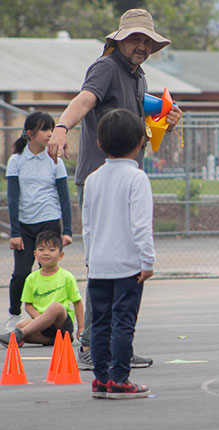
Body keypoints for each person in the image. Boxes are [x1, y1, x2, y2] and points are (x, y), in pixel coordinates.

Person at [47, 8, 181, 369]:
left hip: (129, 174)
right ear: (118, 40)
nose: (141, 46)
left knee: (125, 265)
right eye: (135, 39)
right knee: (106, 262)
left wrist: (165, 123)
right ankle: (93, 346)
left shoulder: (139, 77)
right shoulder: (105, 67)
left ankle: (118, 344)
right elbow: (84, 100)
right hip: (99, 176)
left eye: (147, 41)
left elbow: (145, 134)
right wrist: (61, 128)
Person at [83, 108, 155, 399]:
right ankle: (120, 378)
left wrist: (90, 258)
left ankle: (101, 378)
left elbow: (87, 226)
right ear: (140, 142)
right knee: (123, 323)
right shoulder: (137, 179)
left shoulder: (92, 179)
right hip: (127, 266)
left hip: (99, 265)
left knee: (100, 323)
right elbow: (141, 225)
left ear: (99, 144)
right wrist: (147, 261)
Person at [4, 112, 72, 333]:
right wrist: (15, 232)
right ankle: (14, 315)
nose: (50, 134)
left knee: (49, 272)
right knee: (22, 273)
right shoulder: (16, 161)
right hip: (24, 227)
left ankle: (49, 318)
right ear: (31, 133)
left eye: (52, 129)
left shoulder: (55, 161)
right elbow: (13, 199)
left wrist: (67, 230)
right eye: (45, 129)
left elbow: (65, 198)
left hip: (49, 224)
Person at [0, 231, 82, 348]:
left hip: (61, 324)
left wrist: (81, 328)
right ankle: (52, 340)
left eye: (52, 250)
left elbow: (77, 303)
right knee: (20, 324)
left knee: (56, 307)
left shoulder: (67, 277)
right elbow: (28, 305)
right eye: (41, 249)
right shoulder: (31, 278)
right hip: (42, 325)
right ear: (35, 254)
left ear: (61, 255)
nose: (46, 253)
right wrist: (41, 320)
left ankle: (20, 335)